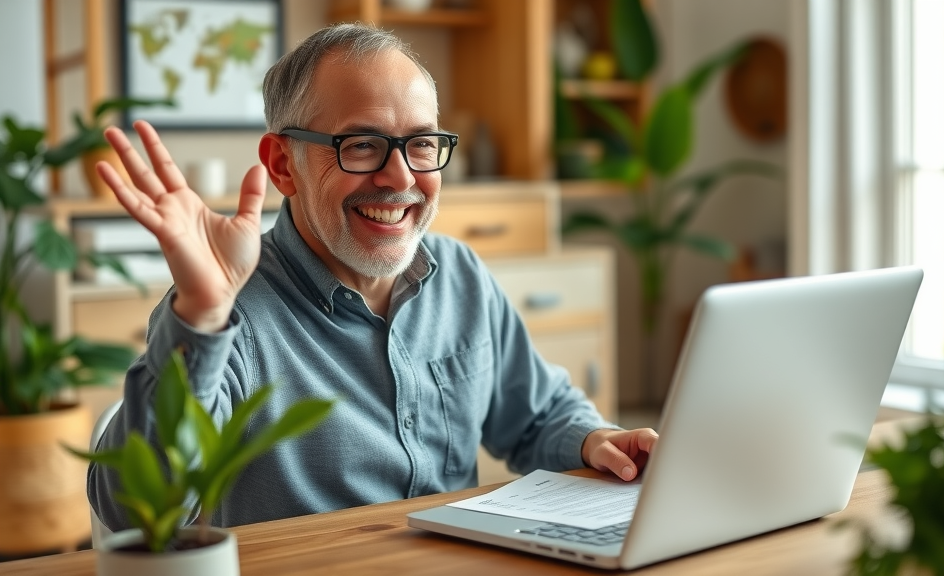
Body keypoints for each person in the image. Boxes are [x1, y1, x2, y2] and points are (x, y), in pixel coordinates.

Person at [88, 23, 658, 530]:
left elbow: (536, 415)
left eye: (421, 143)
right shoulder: (226, 312)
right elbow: (137, 509)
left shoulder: (459, 274)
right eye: (362, 145)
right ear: (284, 165)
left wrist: (594, 440)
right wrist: (201, 316)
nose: (400, 177)